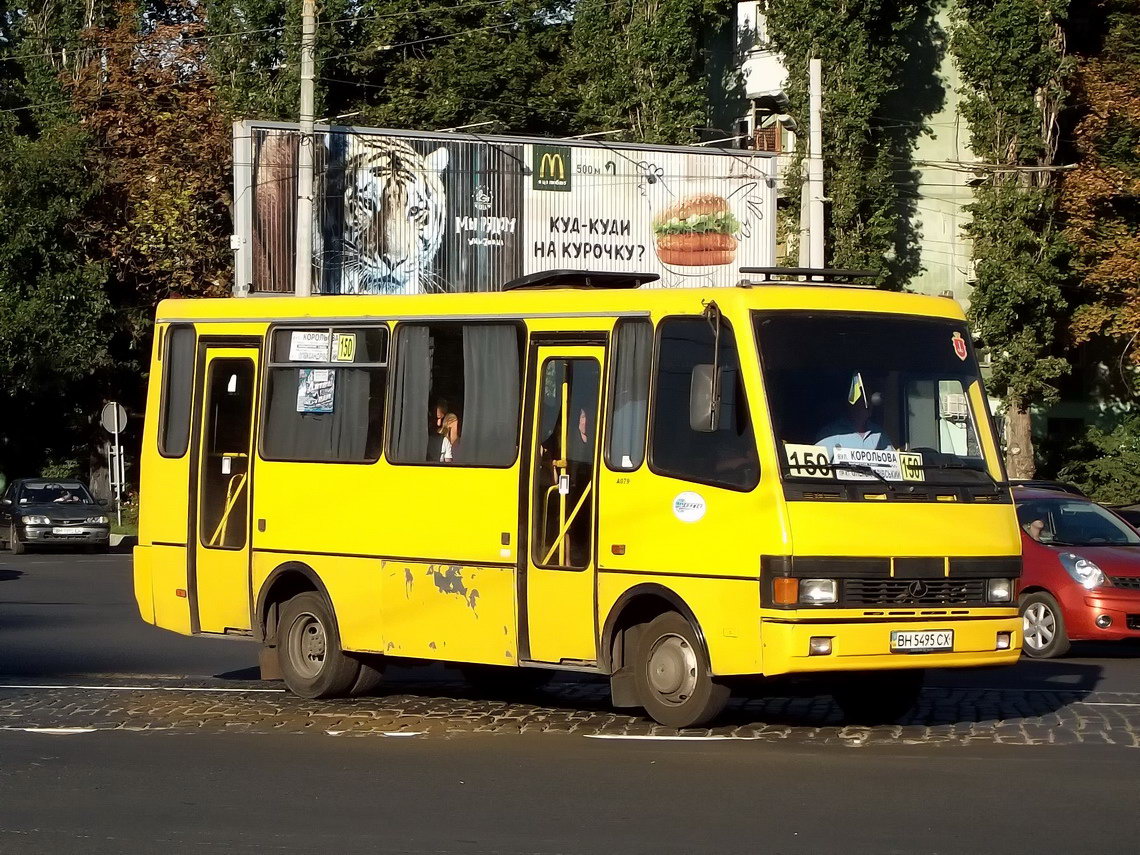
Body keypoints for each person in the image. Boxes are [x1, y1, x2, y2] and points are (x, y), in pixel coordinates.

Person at [815, 375, 893, 453]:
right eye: (863, 400)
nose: (868, 404)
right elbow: (818, 463)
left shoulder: (879, 433)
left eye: (869, 399)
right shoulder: (830, 433)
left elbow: (893, 461)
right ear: (851, 402)